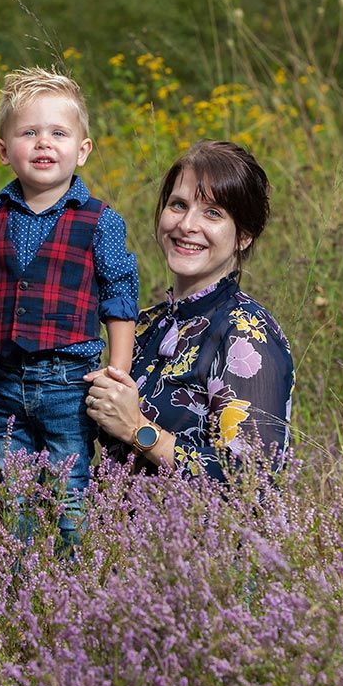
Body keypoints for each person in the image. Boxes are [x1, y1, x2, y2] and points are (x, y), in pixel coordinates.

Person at [0, 66, 139, 543]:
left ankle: (72, 569)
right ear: (3, 151)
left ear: (83, 150)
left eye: (58, 133)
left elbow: (119, 298)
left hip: (68, 379)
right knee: (9, 487)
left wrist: (118, 371)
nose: (43, 143)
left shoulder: (99, 221)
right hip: (6, 376)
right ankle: (17, 568)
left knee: (69, 486)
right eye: (28, 133)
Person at [84, 140, 293, 482]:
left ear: (244, 236)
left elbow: (254, 481)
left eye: (213, 213)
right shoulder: (144, 324)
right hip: (112, 513)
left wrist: (137, 429)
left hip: (195, 520)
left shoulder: (246, 333)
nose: (186, 225)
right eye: (178, 205)